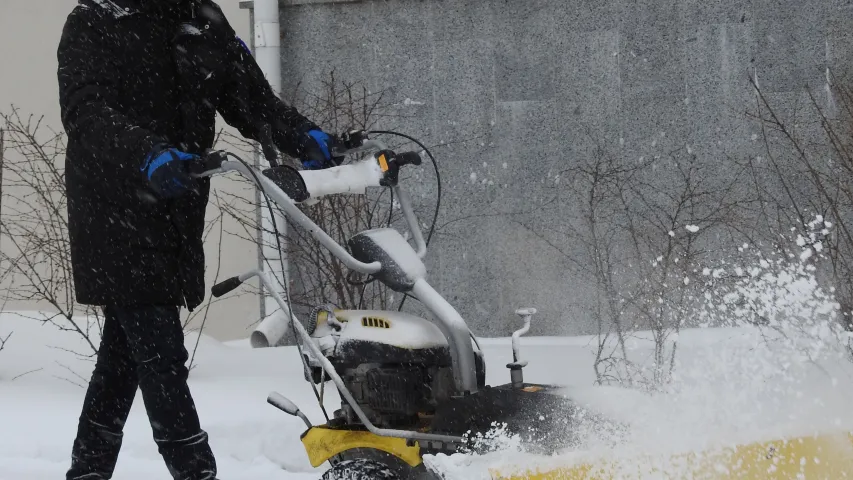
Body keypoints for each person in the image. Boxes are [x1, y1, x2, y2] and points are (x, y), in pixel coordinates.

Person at [57, 1, 337, 478]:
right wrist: (149, 154)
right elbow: (87, 114)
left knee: (122, 362)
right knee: (162, 360)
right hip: (116, 215)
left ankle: (87, 472)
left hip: (176, 214)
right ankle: (196, 471)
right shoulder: (97, 19)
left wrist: (306, 136)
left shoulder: (203, 21)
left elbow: (252, 100)